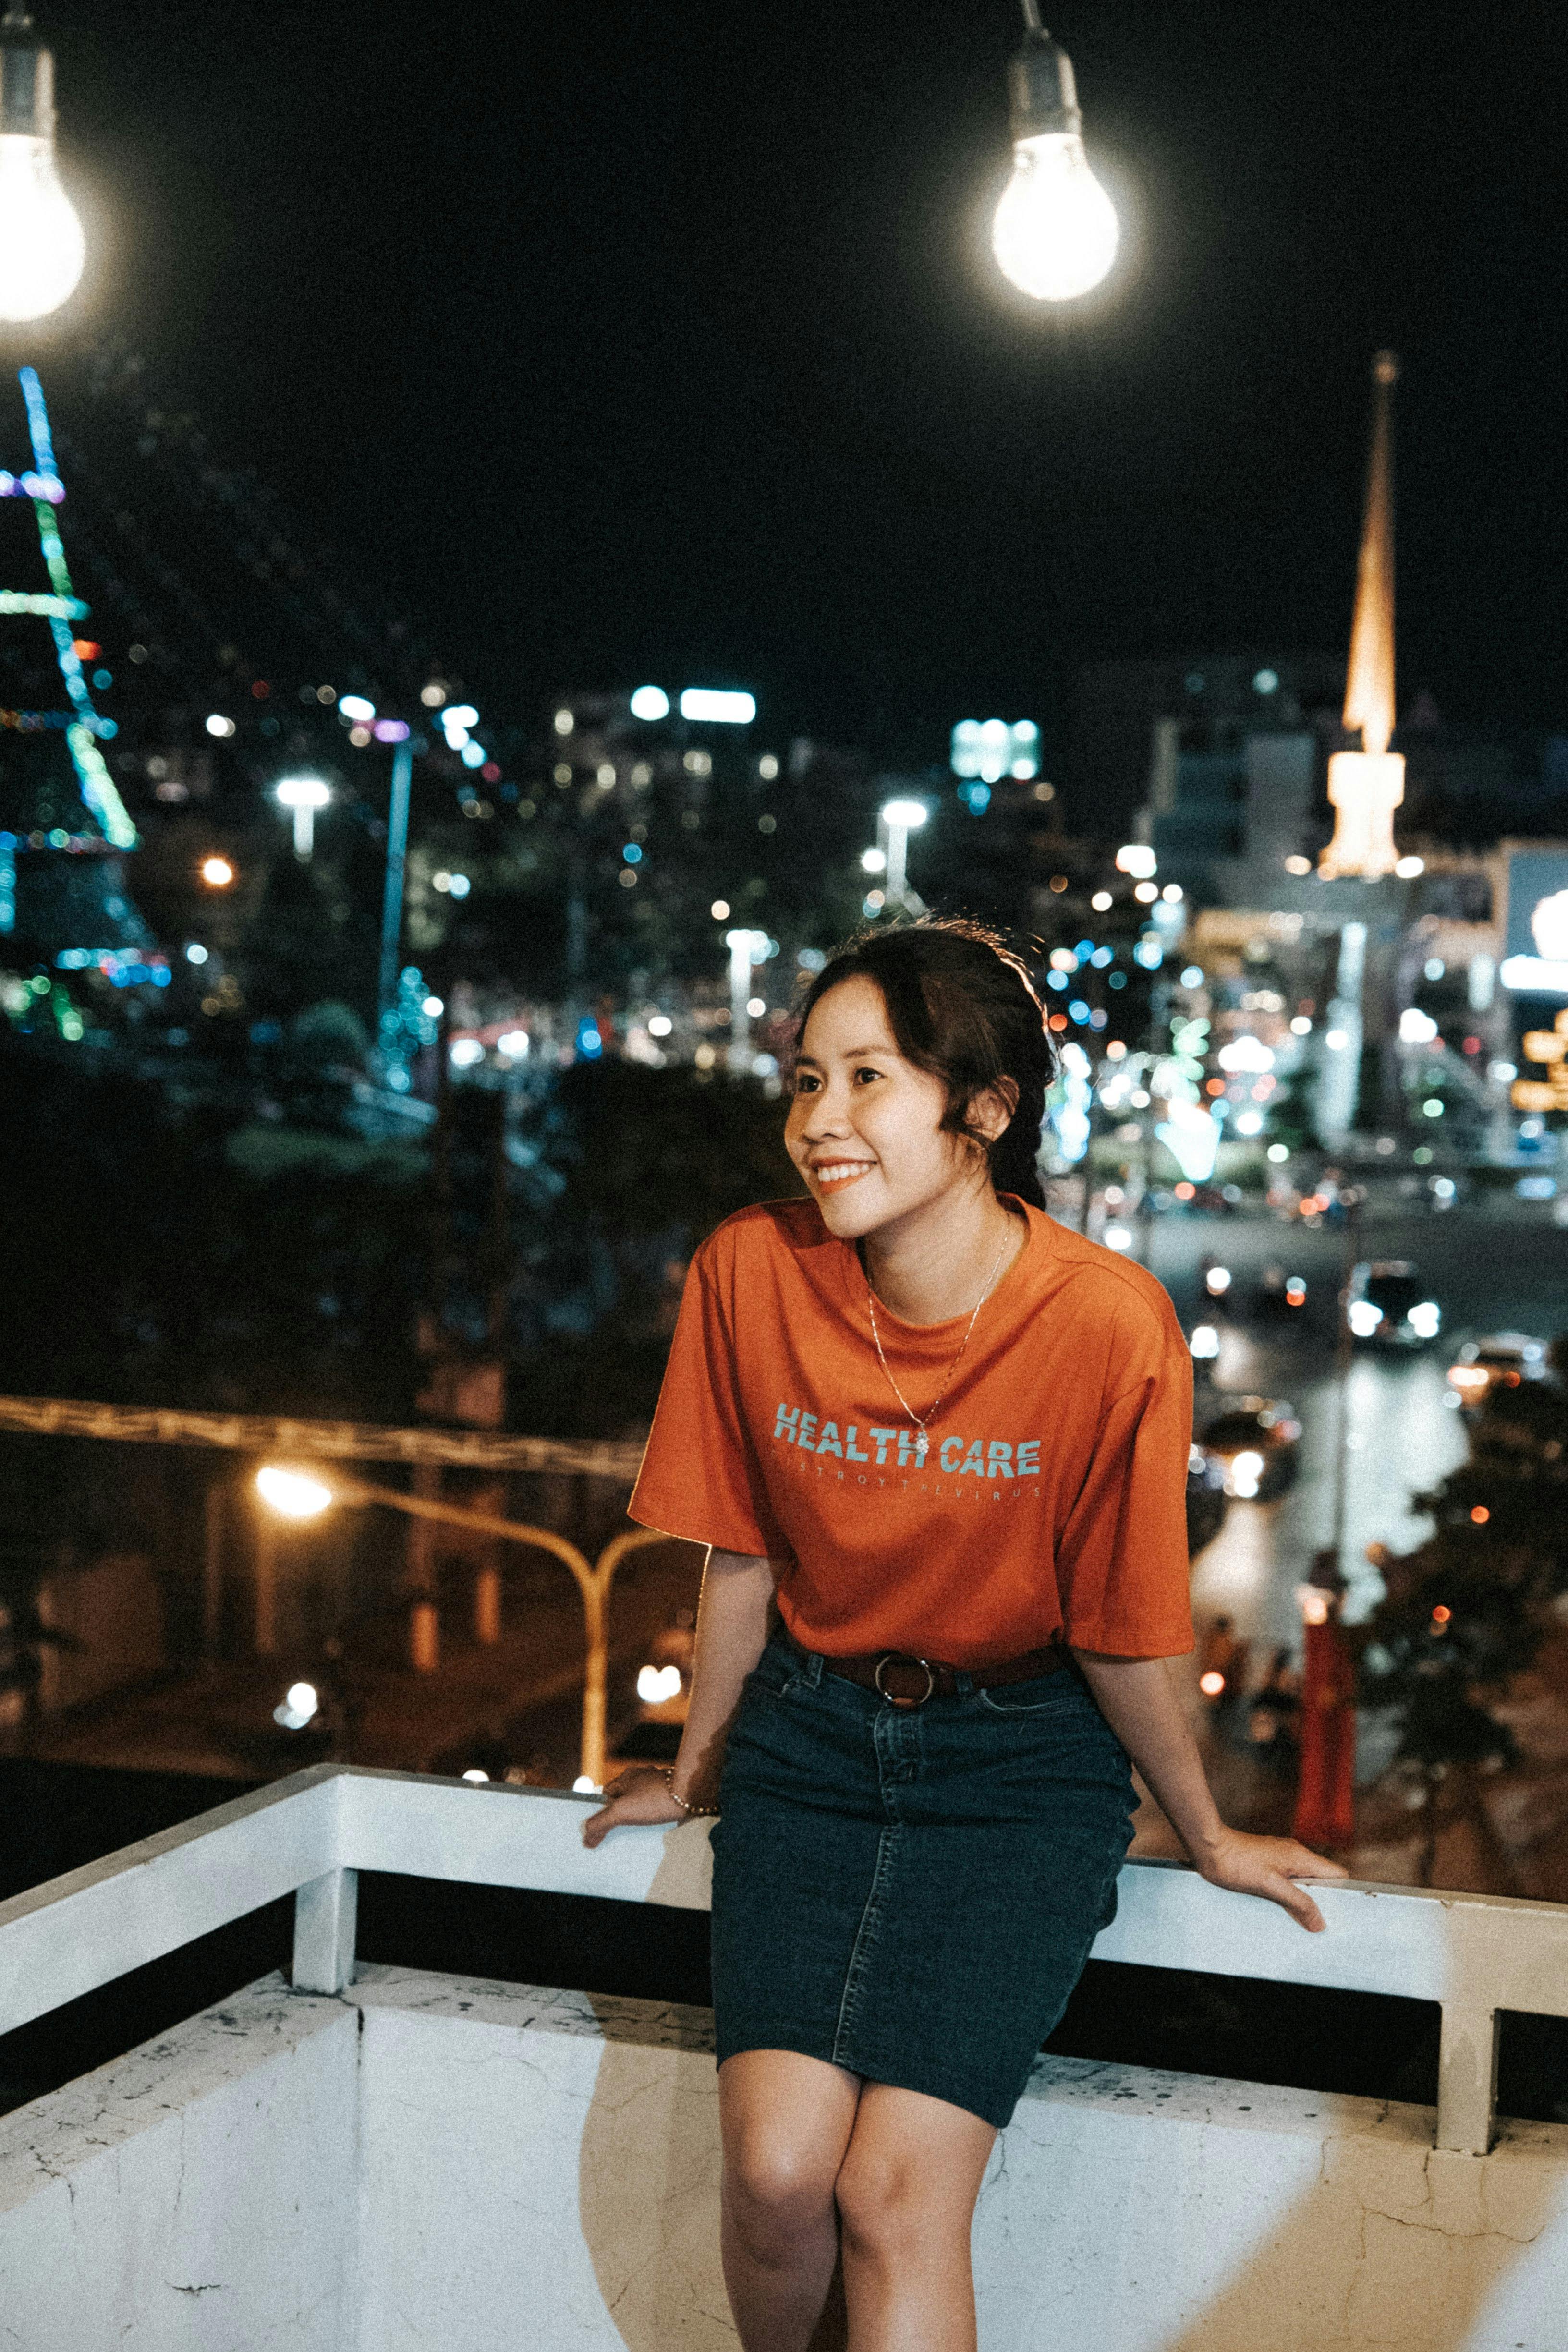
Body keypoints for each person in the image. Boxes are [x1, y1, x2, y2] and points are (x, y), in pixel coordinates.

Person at [584, 919, 1345, 2352]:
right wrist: (694, 1769)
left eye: (868, 1079)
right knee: (773, 2174)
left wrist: (1204, 1826)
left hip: (1018, 1776)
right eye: (806, 1079)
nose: (819, 1122)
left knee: (891, 2191)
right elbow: (739, 1551)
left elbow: (1124, 1629)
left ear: (982, 1110)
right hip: (808, 1747)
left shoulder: (1105, 1324)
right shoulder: (750, 1274)